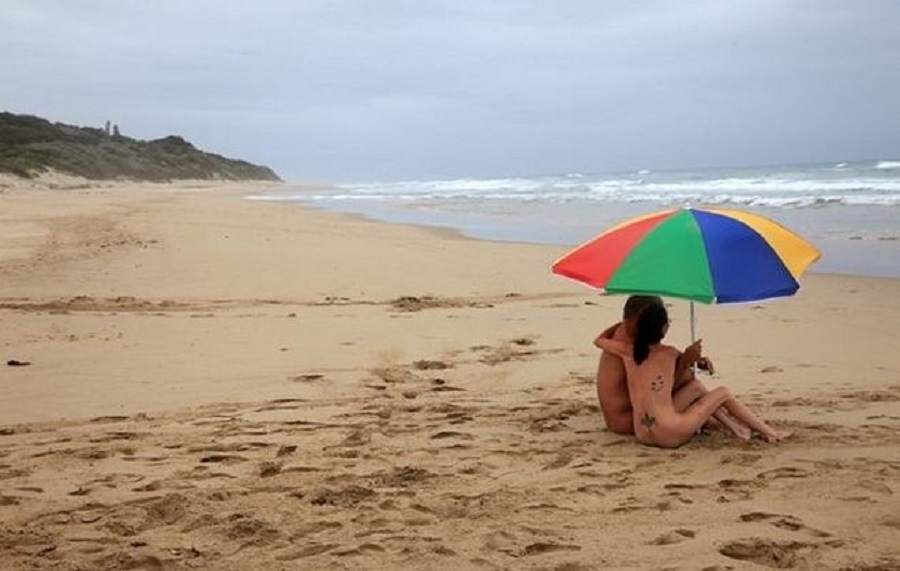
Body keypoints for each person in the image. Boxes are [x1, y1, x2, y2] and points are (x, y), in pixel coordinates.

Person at [595, 302, 792, 448]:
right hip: (670, 432)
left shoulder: (627, 351)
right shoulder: (670, 353)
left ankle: (738, 429)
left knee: (696, 388)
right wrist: (693, 357)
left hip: (643, 433)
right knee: (723, 392)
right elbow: (681, 373)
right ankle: (771, 433)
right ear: (664, 329)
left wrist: (620, 324)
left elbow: (599, 340)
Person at [594, 295, 729, 434]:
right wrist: (684, 363)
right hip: (628, 421)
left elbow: (657, 363)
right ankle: (716, 419)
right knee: (689, 382)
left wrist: (689, 359)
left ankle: (715, 416)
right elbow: (658, 389)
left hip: (630, 415)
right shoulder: (627, 346)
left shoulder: (629, 337)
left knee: (688, 383)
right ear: (632, 319)